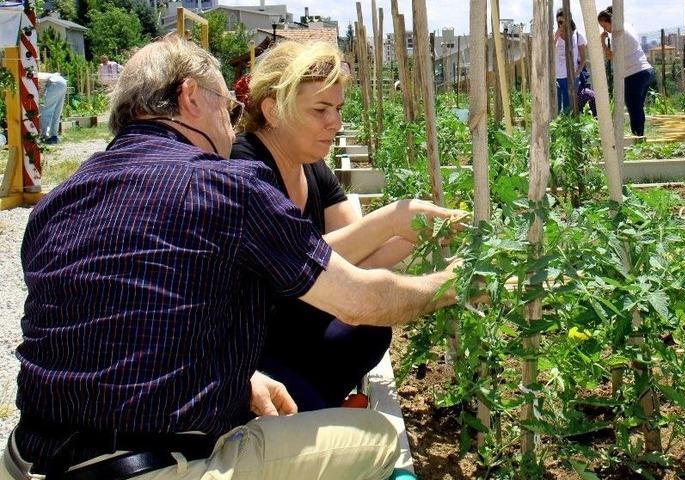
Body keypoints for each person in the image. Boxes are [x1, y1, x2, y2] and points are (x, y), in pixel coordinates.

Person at [4, 35, 468, 480]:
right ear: (190, 98)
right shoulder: (227, 184)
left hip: (30, 459)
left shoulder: (56, 202)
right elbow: (361, 300)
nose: (232, 125)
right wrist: (460, 282)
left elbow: (121, 320)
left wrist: (236, 380)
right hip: (154, 465)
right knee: (382, 439)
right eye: (227, 108)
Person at [231, 41, 446, 412]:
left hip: (296, 328)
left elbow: (357, 259)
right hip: (250, 352)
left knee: (370, 330)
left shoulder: (311, 165)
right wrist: (392, 218)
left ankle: (318, 406)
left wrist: (418, 235)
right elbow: (300, 264)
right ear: (273, 110)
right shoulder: (243, 167)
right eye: (320, 109)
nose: (336, 122)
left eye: (337, 108)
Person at [598, 6, 654, 137]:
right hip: (646, 71)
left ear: (609, 20)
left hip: (635, 74)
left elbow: (611, 56)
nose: (605, 30)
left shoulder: (618, 33)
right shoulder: (627, 26)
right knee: (638, 107)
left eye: (604, 26)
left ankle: (637, 137)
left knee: (634, 108)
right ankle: (640, 135)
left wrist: (602, 42)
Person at [554, 9, 587, 115]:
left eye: (563, 21)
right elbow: (548, 54)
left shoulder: (577, 35)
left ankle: (570, 131)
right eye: (559, 22)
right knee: (557, 109)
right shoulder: (555, 36)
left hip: (571, 77)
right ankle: (558, 131)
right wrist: (555, 38)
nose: (561, 24)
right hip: (556, 77)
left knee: (569, 108)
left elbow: (583, 59)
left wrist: (576, 74)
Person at [36, 71, 67, 144]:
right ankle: (54, 136)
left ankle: (45, 136)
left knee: (46, 110)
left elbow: (39, 92)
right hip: (62, 82)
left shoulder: (32, 78)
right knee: (57, 111)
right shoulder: (39, 74)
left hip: (54, 83)